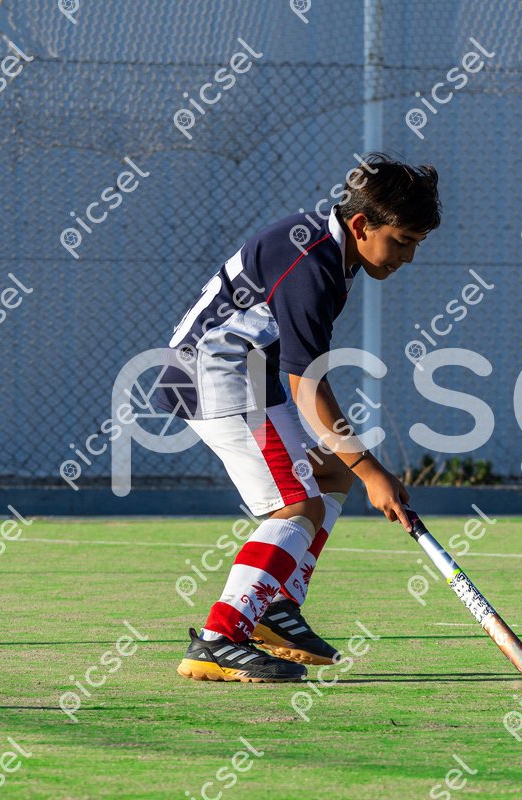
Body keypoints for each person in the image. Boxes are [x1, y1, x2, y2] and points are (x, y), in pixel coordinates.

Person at [154, 153, 441, 682]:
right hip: (214, 372)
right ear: (362, 225)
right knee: (298, 505)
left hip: (248, 372)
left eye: (416, 244)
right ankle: (220, 638)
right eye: (402, 241)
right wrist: (371, 470)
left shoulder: (334, 251)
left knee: (330, 473)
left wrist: (356, 466)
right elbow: (307, 384)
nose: (408, 257)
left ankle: (276, 608)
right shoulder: (312, 263)